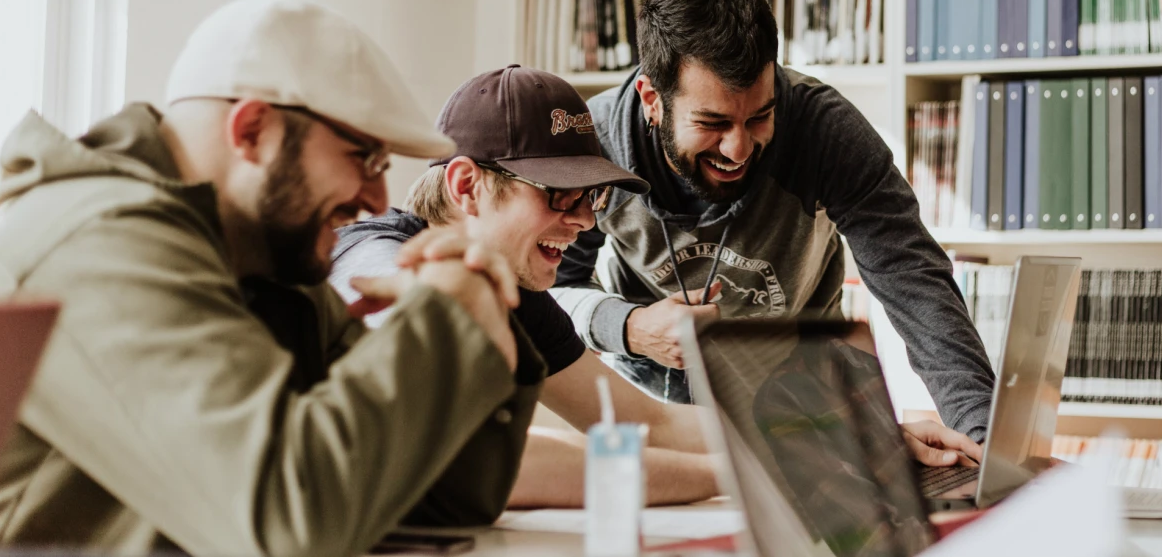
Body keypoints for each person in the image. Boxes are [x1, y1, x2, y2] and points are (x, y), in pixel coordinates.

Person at [0, 0, 540, 556]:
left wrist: (480, 318)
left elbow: (436, 501)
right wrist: (446, 321)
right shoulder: (100, 244)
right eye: (364, 158)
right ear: (252, 130)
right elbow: (288, 525)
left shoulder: (262, 258)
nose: (378, 198)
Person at [330, 65, 975, 508]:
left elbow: (644, 422)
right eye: (560, 196)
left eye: (594, 197)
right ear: (467, 186)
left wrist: (852, 438)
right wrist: (778, 471)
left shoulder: (514, 290)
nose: (584, 221)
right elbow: (480, 458)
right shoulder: (378, 264)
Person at [551, 0, 996, 451]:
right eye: (713, 123)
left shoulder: (825, 131)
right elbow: (549, 291)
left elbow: (915, 281)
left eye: (760, 117)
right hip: (654, 416)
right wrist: (628, 327)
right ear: (652, 98)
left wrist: (983, 441)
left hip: (803, 406)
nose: (738, 149)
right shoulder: (595, 146)